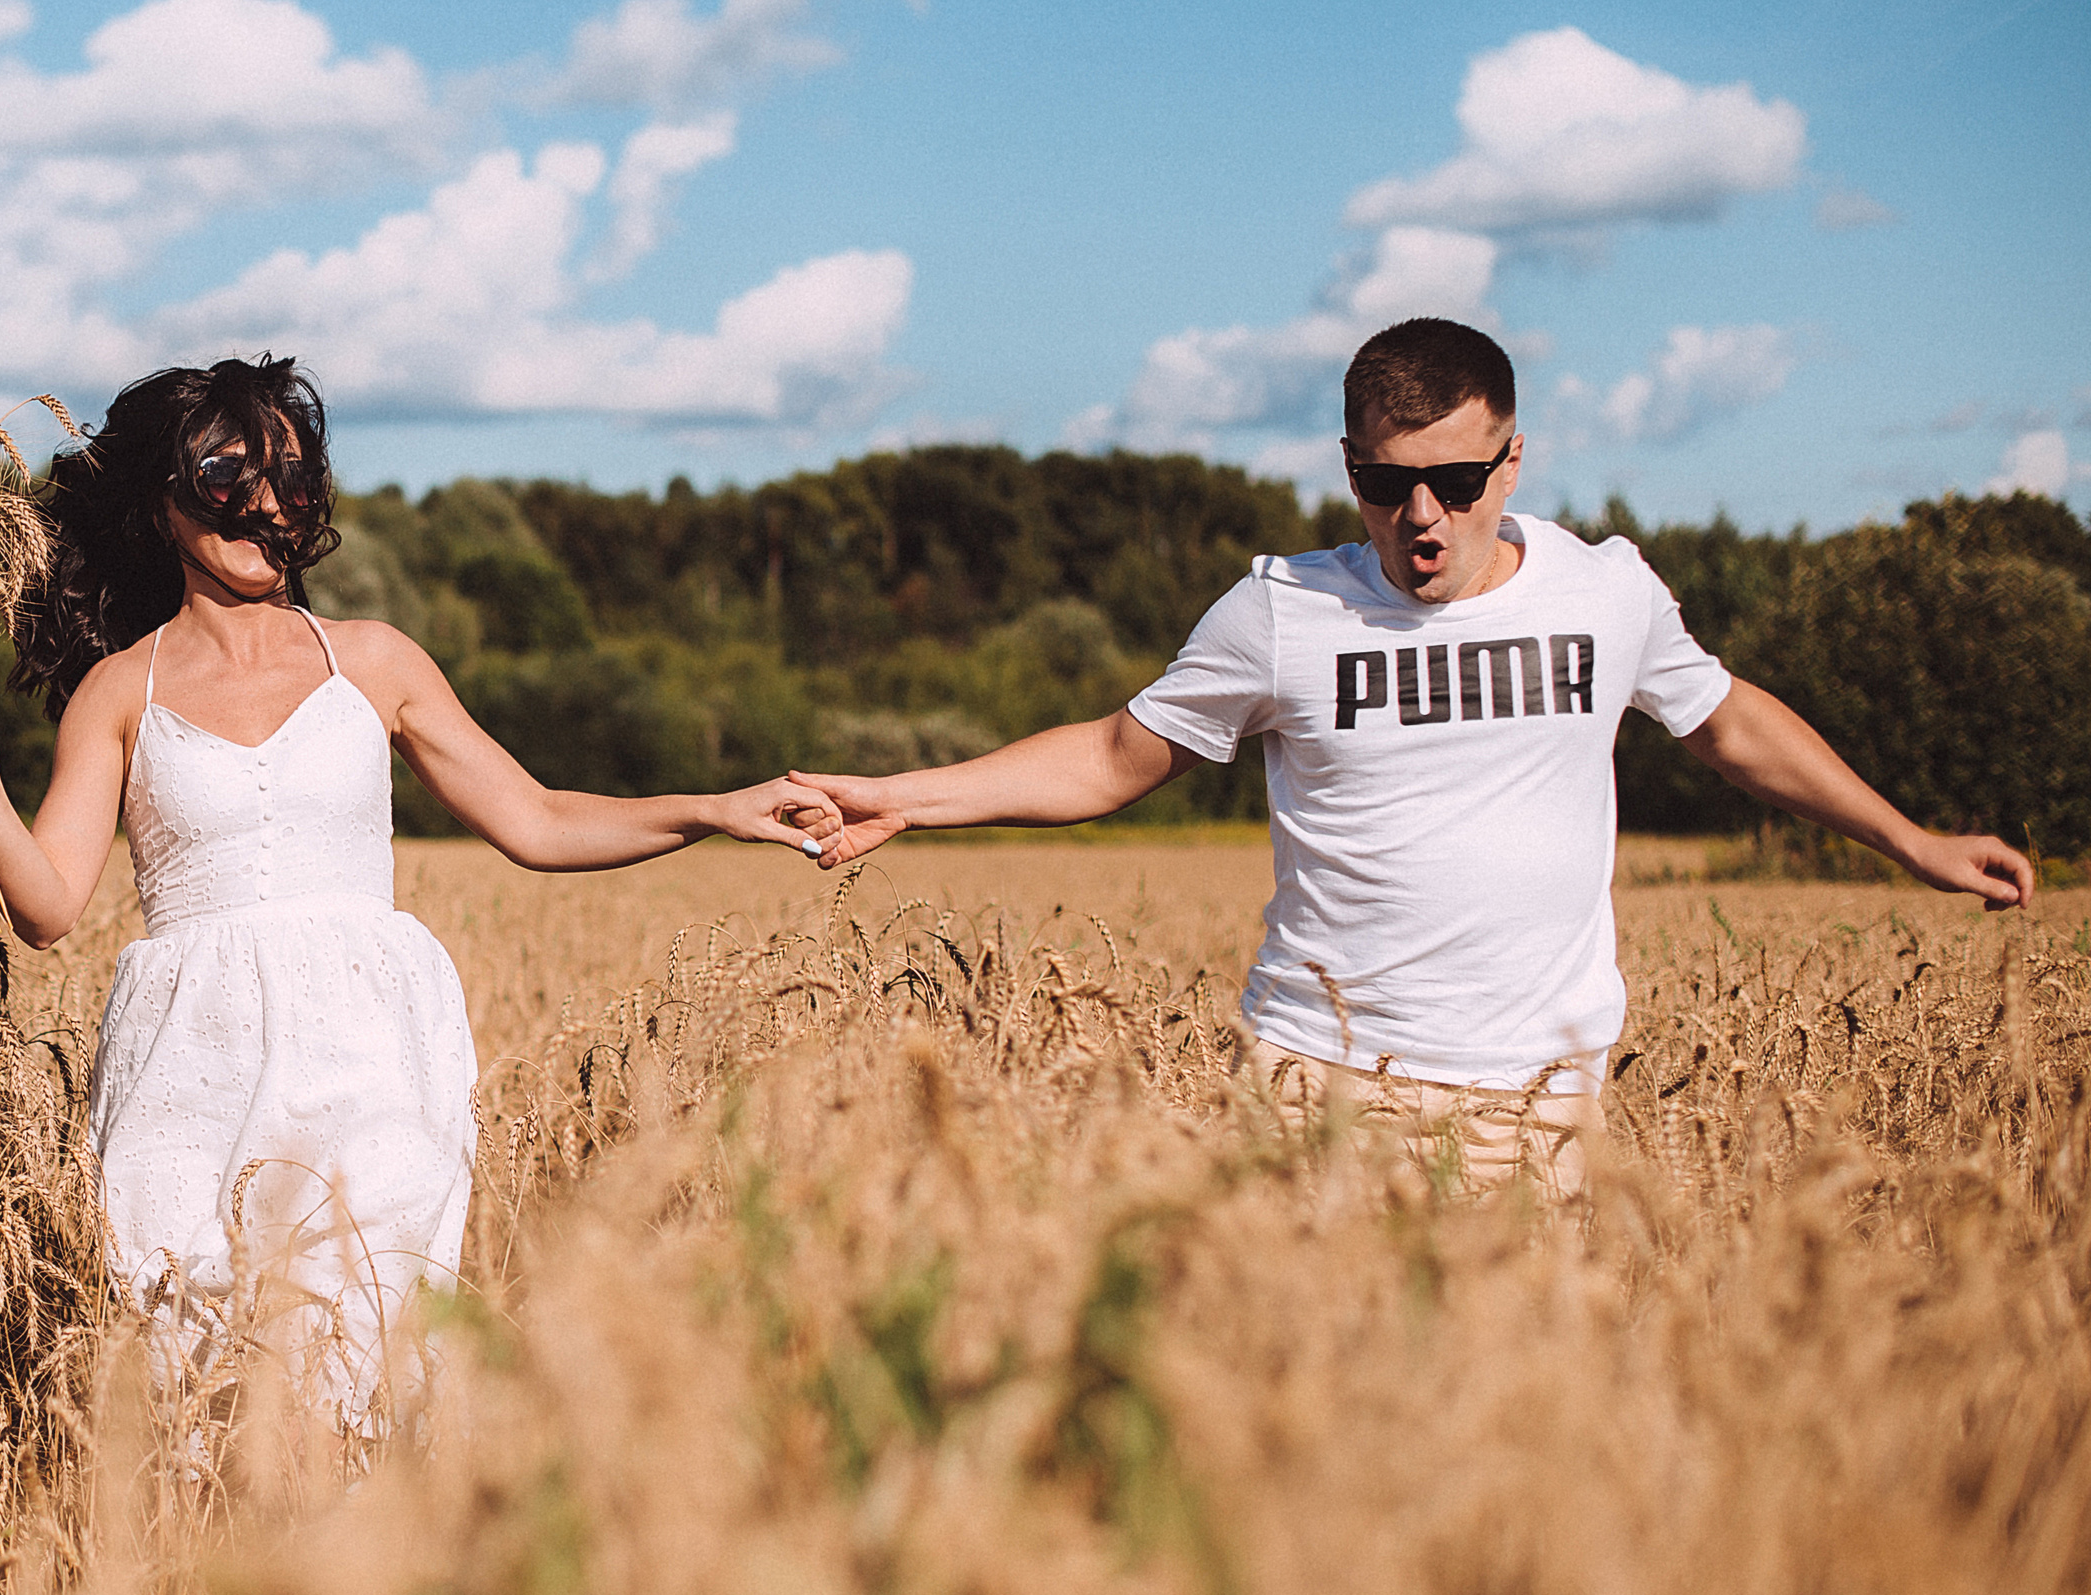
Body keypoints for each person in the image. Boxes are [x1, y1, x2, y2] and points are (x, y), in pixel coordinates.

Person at [791, 318, 2031, 1195]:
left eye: (1454, 479)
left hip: (1542, 1094)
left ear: (1511, 460)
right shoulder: (1281, 611)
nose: (1422, 516)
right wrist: (902, 796)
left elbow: (1728, 725)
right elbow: (1116, 756)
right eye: (1388, 484)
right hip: (1319, 1079)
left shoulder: (1604, 592)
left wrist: (1909, 842)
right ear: (1350, 469)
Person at [0, 356, 839, 1416]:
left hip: (367, 1050)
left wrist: (714, 809)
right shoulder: (120, 693)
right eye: (227, 476)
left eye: (293, 479)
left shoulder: (375, 662)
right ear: (162, 504)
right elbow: (49, 907)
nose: (266, 505)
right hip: (188, 1068)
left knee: (362, 1368)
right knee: (198, 1388)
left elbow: (535, 820)